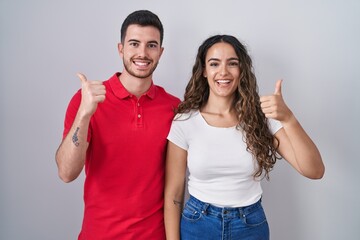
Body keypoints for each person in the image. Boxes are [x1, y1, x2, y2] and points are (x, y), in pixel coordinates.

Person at [164, 34, 325, 240]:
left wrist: (288, 118)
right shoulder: (185, 121)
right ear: (204, 70)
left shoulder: (261, 116)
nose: (223, 72)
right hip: (198, 224)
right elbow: (173, 195)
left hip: (249, 226)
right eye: (214, 64)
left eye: (232, 63)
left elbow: (314, 170)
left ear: (241, 70)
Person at [55, 10, 180, 239]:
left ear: (161, 52)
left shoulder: (173, 108)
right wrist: (84, 114)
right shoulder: (87, 100)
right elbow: (66, 173)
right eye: (134, 43)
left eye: (151, 45)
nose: (142, 53)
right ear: (120, 49)